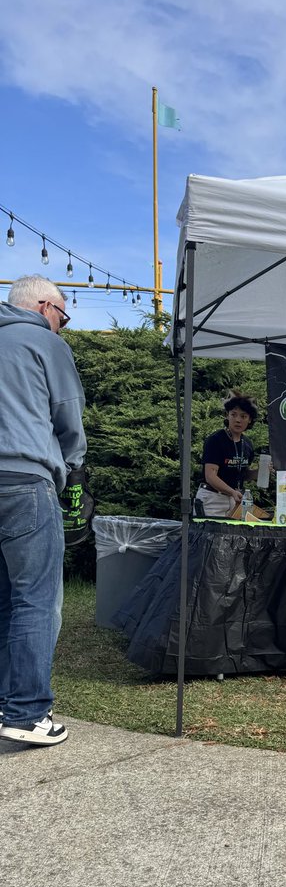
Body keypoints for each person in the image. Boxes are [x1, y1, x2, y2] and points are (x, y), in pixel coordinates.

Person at [0, 276, 86, 747]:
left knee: (2, 600)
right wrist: (71, 467)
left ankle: (2, 702)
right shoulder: (42, 341)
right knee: (34, 599)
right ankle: (28, 712)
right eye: (63, 315)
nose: (62, 326)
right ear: (44, 306)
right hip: (24, 480)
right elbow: (68, 417)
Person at [195, 392, 260, 517]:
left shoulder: (247, 444)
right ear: (227, 415)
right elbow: (210, 476)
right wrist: (232, 492)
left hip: (234, 500)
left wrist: (260, 472)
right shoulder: (215, 440)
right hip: (212, 498)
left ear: (249, 419)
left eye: (243, 416)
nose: (238, 420)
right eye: (233, 415)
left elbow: (243, 474)